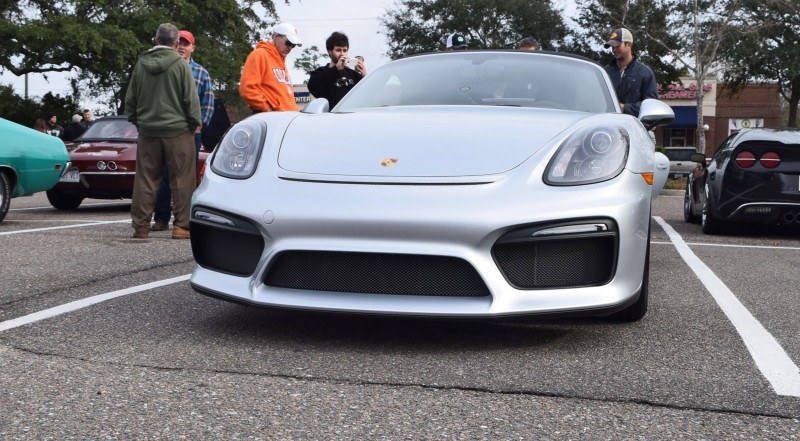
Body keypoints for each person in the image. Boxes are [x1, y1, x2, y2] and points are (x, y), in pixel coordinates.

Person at [124, 22, 201, 240]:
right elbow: (191, 100)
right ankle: (181, 227)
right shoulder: (180, 65)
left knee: (146, 178)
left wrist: (139, 122)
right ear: (176, 43)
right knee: (182, 180)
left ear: (156, 40)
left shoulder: (141, 64)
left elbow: (130, 101)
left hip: (148, 131)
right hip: (178, 131)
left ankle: (140, 228)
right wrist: (193, 123)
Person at [151, 29, 215, 232]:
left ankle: (183, 222)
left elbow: (208, 103)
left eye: (186, 44)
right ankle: (161, 218)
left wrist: (199, 124)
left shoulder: (201, 72)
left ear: (192, 48)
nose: (181, 47)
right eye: (179, 42)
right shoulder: (162, 69)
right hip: (165, 131)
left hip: (190, 133)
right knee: (163, 177)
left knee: (185, 178)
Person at [239, 22, 301, 113]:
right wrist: (267, 109)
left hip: (288, 118)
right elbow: (247, 89)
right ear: (275, 37)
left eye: (293, 45)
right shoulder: (259, 55)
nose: (290, 47)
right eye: (288, 43)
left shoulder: (281, 60)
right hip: (273, 120)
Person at [602, 28, 658, 117]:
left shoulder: (645, 73)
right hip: (608, 125)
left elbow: (651, 106)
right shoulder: (605, 72)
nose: (614, 50)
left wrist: (624, 108)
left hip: (635, 127)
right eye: (612, 47)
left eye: (617, 46)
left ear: (628, 44)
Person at [307, 31, 367, 109]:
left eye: (345, 50)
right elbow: (314, 88)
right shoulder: (320, 72)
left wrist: (365, 76)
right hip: (332, 117)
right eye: (338, 50)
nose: (342, 54)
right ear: (329, 51)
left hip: (352, 116)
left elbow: (367, 95)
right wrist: (336, 69)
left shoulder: (354, 74)